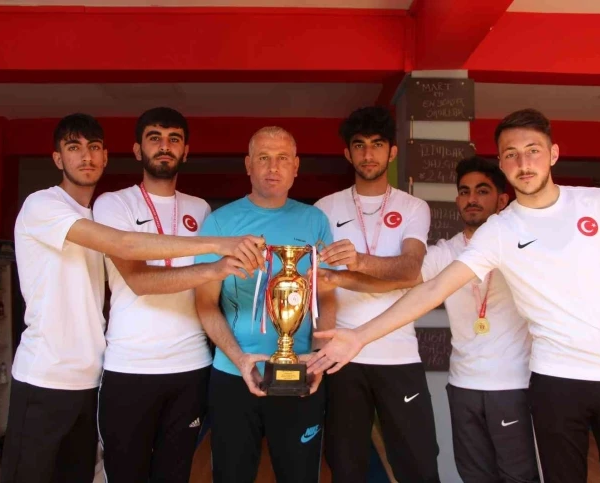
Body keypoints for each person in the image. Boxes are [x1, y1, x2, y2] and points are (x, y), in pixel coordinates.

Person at [309, 108, 600, 483]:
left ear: (553, 154)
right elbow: (430, 287)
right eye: (511, 154)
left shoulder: (598, 203)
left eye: (533, 150)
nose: (523, 163)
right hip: (554, 377)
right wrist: (357, 334)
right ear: (502, 162)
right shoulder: (498, 231)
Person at [3, 113, 263, 483]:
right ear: (58, 158)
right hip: (49, 372)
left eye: (94, 147)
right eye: (74, 148)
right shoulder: (49, 205)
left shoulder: (93, 213)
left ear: (106, 156)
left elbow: (202, 295)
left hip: (95, 373)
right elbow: (128, 253)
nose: (86, 156)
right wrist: (220, 251)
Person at [319, 156, 539, 482]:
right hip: (463, 385)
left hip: (512, 385)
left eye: (482, 191)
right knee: (474, 475)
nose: (472, 199)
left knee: (518, 476)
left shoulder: (523, 247)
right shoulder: (446, 252)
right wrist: (335, 278)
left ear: (502, 199)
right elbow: (397, 281)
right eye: (464, 192)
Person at [93, 107, 246, 482]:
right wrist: (214, 265)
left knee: (175, 475)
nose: (165, 146)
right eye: (155, 138)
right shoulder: (113, 204)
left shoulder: (200, 208)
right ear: (137, 150)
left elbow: (210, 292)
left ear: (185, 151)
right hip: (130, 367)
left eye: (174, 139)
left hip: (190, 368)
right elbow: (140, 281)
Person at [194, 126, 336, 483]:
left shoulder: (315, 221)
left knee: (299, 475)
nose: (273, 167)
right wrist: (239, 358)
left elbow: (326, 296)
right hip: (232, 375)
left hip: (300, 373)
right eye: (263, 158)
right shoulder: (220, 222)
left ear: (296, 167)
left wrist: (319, 358)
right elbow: (205, 303)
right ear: (248, 165)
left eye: (283, 158)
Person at [314, 106, 439, 482]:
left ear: (392, 152)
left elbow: (410, 269)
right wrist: (322, 348)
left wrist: (356, 263)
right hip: (342, 357)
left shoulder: (413, 207)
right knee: (346, 465)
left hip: (399, 354)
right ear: (348, 153)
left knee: (418, 464)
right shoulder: (324, 208)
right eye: (359, 145)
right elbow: (322, 284)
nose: (368, 154)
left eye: (377, 144)